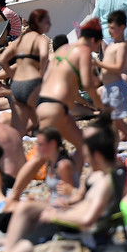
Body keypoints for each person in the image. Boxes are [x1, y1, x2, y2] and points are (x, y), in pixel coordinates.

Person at [0, 118, 120, 252]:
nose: (84, 153)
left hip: (70, 233)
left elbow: (88, 220)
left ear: (97, 153)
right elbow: (78, 198)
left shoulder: (104, 182)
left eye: (87, 149)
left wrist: (55, 215)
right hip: (63, 222)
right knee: (23, 213)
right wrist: (65, 202)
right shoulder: (95, 175)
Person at [35, 19, 104, 161]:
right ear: (92, 40)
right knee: (39, 158)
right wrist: (100, 106)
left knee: (83, 146)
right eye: (97, 44)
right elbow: (88, 84)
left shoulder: (62, 50)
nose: (95, 48)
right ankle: (13, 184)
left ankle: (75, 182)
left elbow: (71, 90)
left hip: (49, 104)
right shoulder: (83, 51)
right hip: (55, 107)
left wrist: (87, 103)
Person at [0, 9, 50, 134]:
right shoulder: (40, 39)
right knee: (39, 119)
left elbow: (2, 60)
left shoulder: (19, 41)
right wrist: (41, 74)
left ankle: (16, 144)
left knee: (20, 124)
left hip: (17, 85)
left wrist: (11, 75)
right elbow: (43, 56)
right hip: (31, 83)